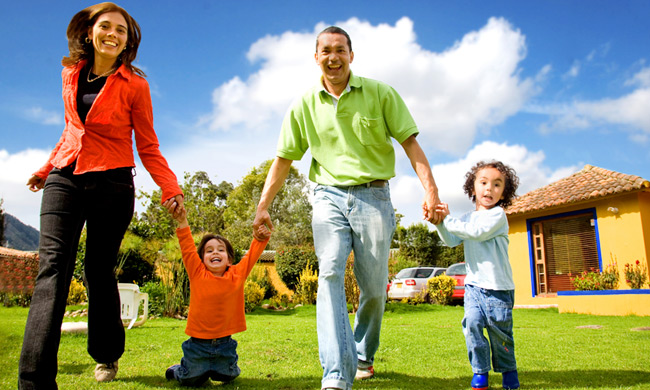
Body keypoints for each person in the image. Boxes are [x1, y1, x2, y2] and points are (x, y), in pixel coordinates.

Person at [252, 26, 442, 390]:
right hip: (328, 195)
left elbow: (411, 145)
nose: (333, 57)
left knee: (373, 288)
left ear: (351, 55)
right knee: (330, 274)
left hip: (374, 197)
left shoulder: (381, 93)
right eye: (326, 50)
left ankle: (363, 354)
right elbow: (282, 160)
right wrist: (263, 205)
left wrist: (431, 191)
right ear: (316, 57)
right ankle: (336, 373)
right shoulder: (303, 104)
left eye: (340, 50)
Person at [18, 3, 184, 388]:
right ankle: (34, 379)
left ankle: (106, 354)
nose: (113, 34)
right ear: (88, 32)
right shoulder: (69, 74)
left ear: (128, 40)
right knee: (53, 270)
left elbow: (148, 145)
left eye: (121, 30)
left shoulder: (135, 85)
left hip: (113, 182)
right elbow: (71, 129)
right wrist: (46, 169)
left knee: (98, 270)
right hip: (66, 176)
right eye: (105, 26)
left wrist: (169, 187)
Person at [163, 199, 271, 386]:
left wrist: (261, 237)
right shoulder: (197, 273)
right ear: (202, 259)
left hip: (225, 344)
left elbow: (252, 255)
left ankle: (211, 368)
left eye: (221, 250)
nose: (215, 253)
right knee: (190, 379)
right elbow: (187, 247)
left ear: (229, 259)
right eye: (209, 250)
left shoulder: (237, 274)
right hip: (198, 345)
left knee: (228, 376)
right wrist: (182, 222)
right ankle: (178, 370)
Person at [433, 160, 520, 390]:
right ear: (473, 188)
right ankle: (480, 372)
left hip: (498, 289)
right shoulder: (465, 218)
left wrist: (448, 219)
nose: (489, 188)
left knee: (500, 336)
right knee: (471, 325)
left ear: (503, 193)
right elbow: (452, 240)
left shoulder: (497, 216)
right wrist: (440, 222)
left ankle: (509, 372)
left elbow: (476, 233)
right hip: (473, 288)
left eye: (497, 184)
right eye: (483, 182)